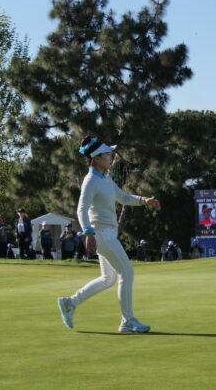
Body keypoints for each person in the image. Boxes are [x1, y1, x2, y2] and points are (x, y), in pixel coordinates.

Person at [57, 135, 161, 333]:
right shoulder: (90, 181)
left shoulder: (105, 178)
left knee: (109, 278)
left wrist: (143, 200)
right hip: (101, 233)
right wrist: (88, 233)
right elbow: (81, 209)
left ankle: (70, 303)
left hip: (107, 233)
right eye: (107, 154)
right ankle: (128, 321)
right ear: (96, 158)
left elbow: (122, 197)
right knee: (127, 272)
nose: (111, 157)